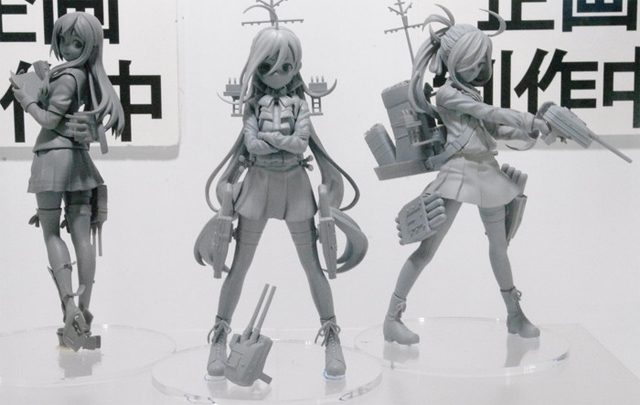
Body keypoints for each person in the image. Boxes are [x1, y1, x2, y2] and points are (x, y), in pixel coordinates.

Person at [195, 25, 366, 379]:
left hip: (295, 188)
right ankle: (220, 335)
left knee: (312, 267)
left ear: (296, 67)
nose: (275, 74)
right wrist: (279, 142)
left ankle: (332, 335)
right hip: (257, 186)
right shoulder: (252, 107)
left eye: (285, 67)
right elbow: (251, 145)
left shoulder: (299, 105)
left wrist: (271, 141)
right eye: (267, 66)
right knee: (239, 267)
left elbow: (302, 143)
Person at [383, 6, 551, 345]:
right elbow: (489, 112)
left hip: (485, 172)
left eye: (483, 62)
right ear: (455, 61)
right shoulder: (448, 94)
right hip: (459, 173)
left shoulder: (470, 93)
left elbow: (494, 129)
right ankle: (391, 318)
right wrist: (529, 120)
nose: (481, 68)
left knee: (499, 246)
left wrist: (531, 132)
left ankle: (515, 314)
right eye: (474, 62)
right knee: (428, 249)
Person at [11, 12, 124, 350]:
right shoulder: (84, 74)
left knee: (51, 232)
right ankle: (83, 313)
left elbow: (48, 119)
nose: (68, 46)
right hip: (77, 161)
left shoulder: (69, 77)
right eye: (64, 40)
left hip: (52, 158)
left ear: (89, 45)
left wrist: (26, 99)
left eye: (77, 42)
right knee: (81, 236)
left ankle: (70, 308)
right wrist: (44, 76)